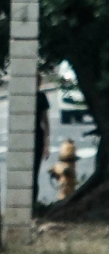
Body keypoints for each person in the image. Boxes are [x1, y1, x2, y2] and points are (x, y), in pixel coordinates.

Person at [33, 81, 51, 211]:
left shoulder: (41, 97)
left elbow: (46, 123)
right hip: (24, 137)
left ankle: (32, 205)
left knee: (34, 175)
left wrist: (46, 145)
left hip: (37, 138)